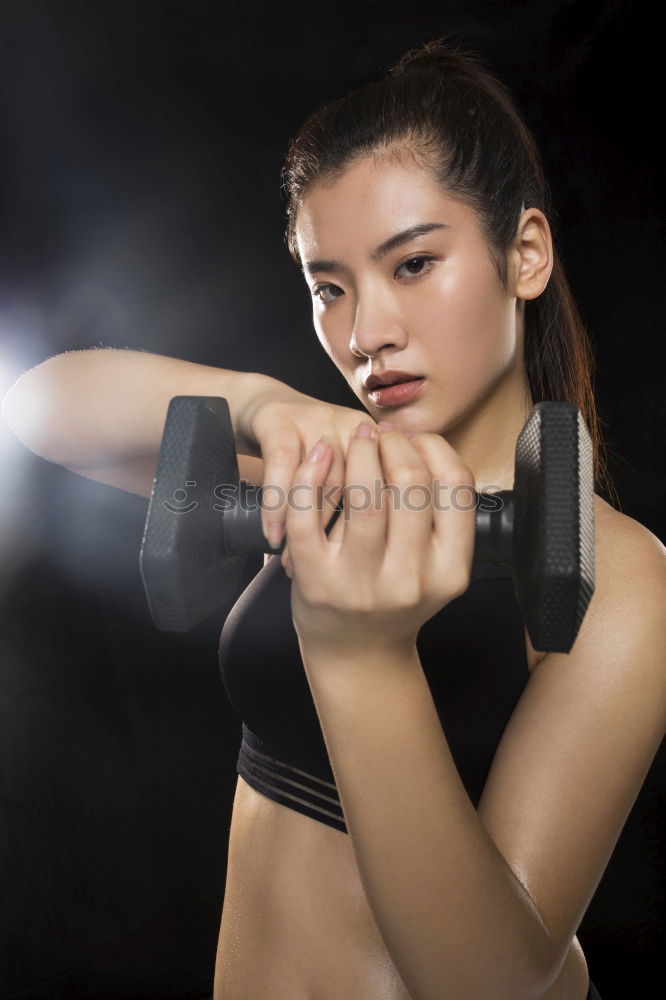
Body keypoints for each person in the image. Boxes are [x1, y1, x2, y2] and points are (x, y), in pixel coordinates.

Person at [2, 34, 663, 1000]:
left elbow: (494, 983)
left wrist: (360, 655)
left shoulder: (624, 573)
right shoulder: (320, 470)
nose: (365, 335)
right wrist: (262, 404)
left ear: (524, 255)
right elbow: (37, 413)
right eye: (329, 287)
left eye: (414, 264)